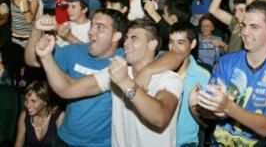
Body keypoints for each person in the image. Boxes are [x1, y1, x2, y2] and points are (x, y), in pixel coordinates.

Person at [33, 18, 186, 147]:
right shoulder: (117, 71)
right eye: (126, 38)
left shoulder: (168, 78)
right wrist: (46, 57)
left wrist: (127, 83)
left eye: (134, 38)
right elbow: (67, 88)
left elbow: (160, 118)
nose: (126, 43)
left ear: (152, 44)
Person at [189, 1, 266, 146]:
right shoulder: (226, 62)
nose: (245, 32)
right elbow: (208, 116)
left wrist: (228, 107)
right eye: (244, 25)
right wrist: (201, 106)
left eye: (254, 27)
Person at [25, 8, 126, 147]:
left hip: (101, 144)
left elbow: (164, 56)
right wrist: (37, 29)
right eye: (92, 26)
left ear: (116, 36)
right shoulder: (76, 51)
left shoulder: (125, 60)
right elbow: (31, 60)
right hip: (64, 139)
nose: (91, 32)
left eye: (100, 27)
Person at [168, 22, 210, 147]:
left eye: (180, 42)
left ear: (193, 44)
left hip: (186, 143)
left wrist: (193, 107)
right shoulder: (160, 71)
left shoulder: (203, 76)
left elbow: (206, 124)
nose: (174, 48)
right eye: (171, 42)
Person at [14, 80, 65, 147]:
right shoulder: (24, 115)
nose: (28, 105)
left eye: (33, 101)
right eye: (26, 100)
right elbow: (18, 144)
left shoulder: (59, 117)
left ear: (45, 101)